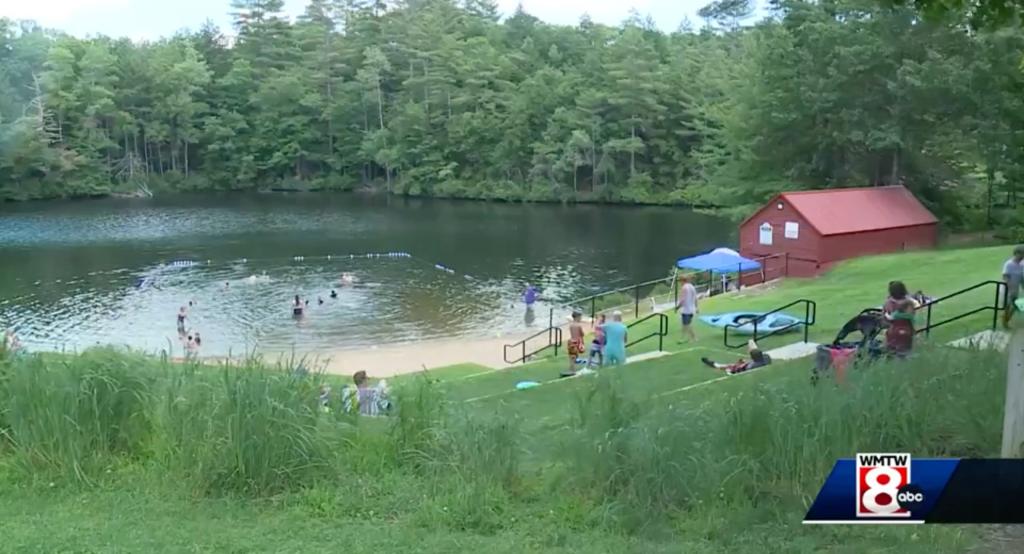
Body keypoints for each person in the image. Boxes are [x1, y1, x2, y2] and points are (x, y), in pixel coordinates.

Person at [701, 339, 771, 375]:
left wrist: (739, 364)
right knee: (736, 364)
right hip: (754, 363)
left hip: (740, 368)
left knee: (726, 366)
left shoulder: (751, 366)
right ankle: (716, 365)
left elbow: (741, 369)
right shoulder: (766, 357)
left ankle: (715, 365)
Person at [1003, 245, 1024, 329]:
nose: (1023, 257)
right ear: (1016, 254)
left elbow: (1021, 277)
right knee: (1009, 305)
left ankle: (1006, 321)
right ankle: (1005, 322)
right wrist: (1009, 288)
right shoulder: (1009, 264)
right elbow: (1005, 276)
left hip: (1015, 289)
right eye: (1022, 254)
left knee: (1016, 306)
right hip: (1008, 288)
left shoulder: (1022, 265)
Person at [677, 275, 698, 342]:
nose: (680, 283)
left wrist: (677, 307)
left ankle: (693, 337)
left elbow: (682, 300)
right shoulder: (692, 287)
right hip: (692, 309)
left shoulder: (684, 288)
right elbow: (695, 298)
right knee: (684, 324)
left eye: (680, 281)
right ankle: (683, 337)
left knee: (687, 325)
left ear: (682, 281)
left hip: (686, 310)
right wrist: (696, 307)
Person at [565, 311, 585, 376]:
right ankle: (573, 371)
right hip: (576, 342)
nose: (581, 319)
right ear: (577, 317)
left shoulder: (571, 325)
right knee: (574, 357)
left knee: (571, 357)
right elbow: (582, 334)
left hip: (571, 341)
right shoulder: (578, 325)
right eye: (580, 317)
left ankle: (571, 369)